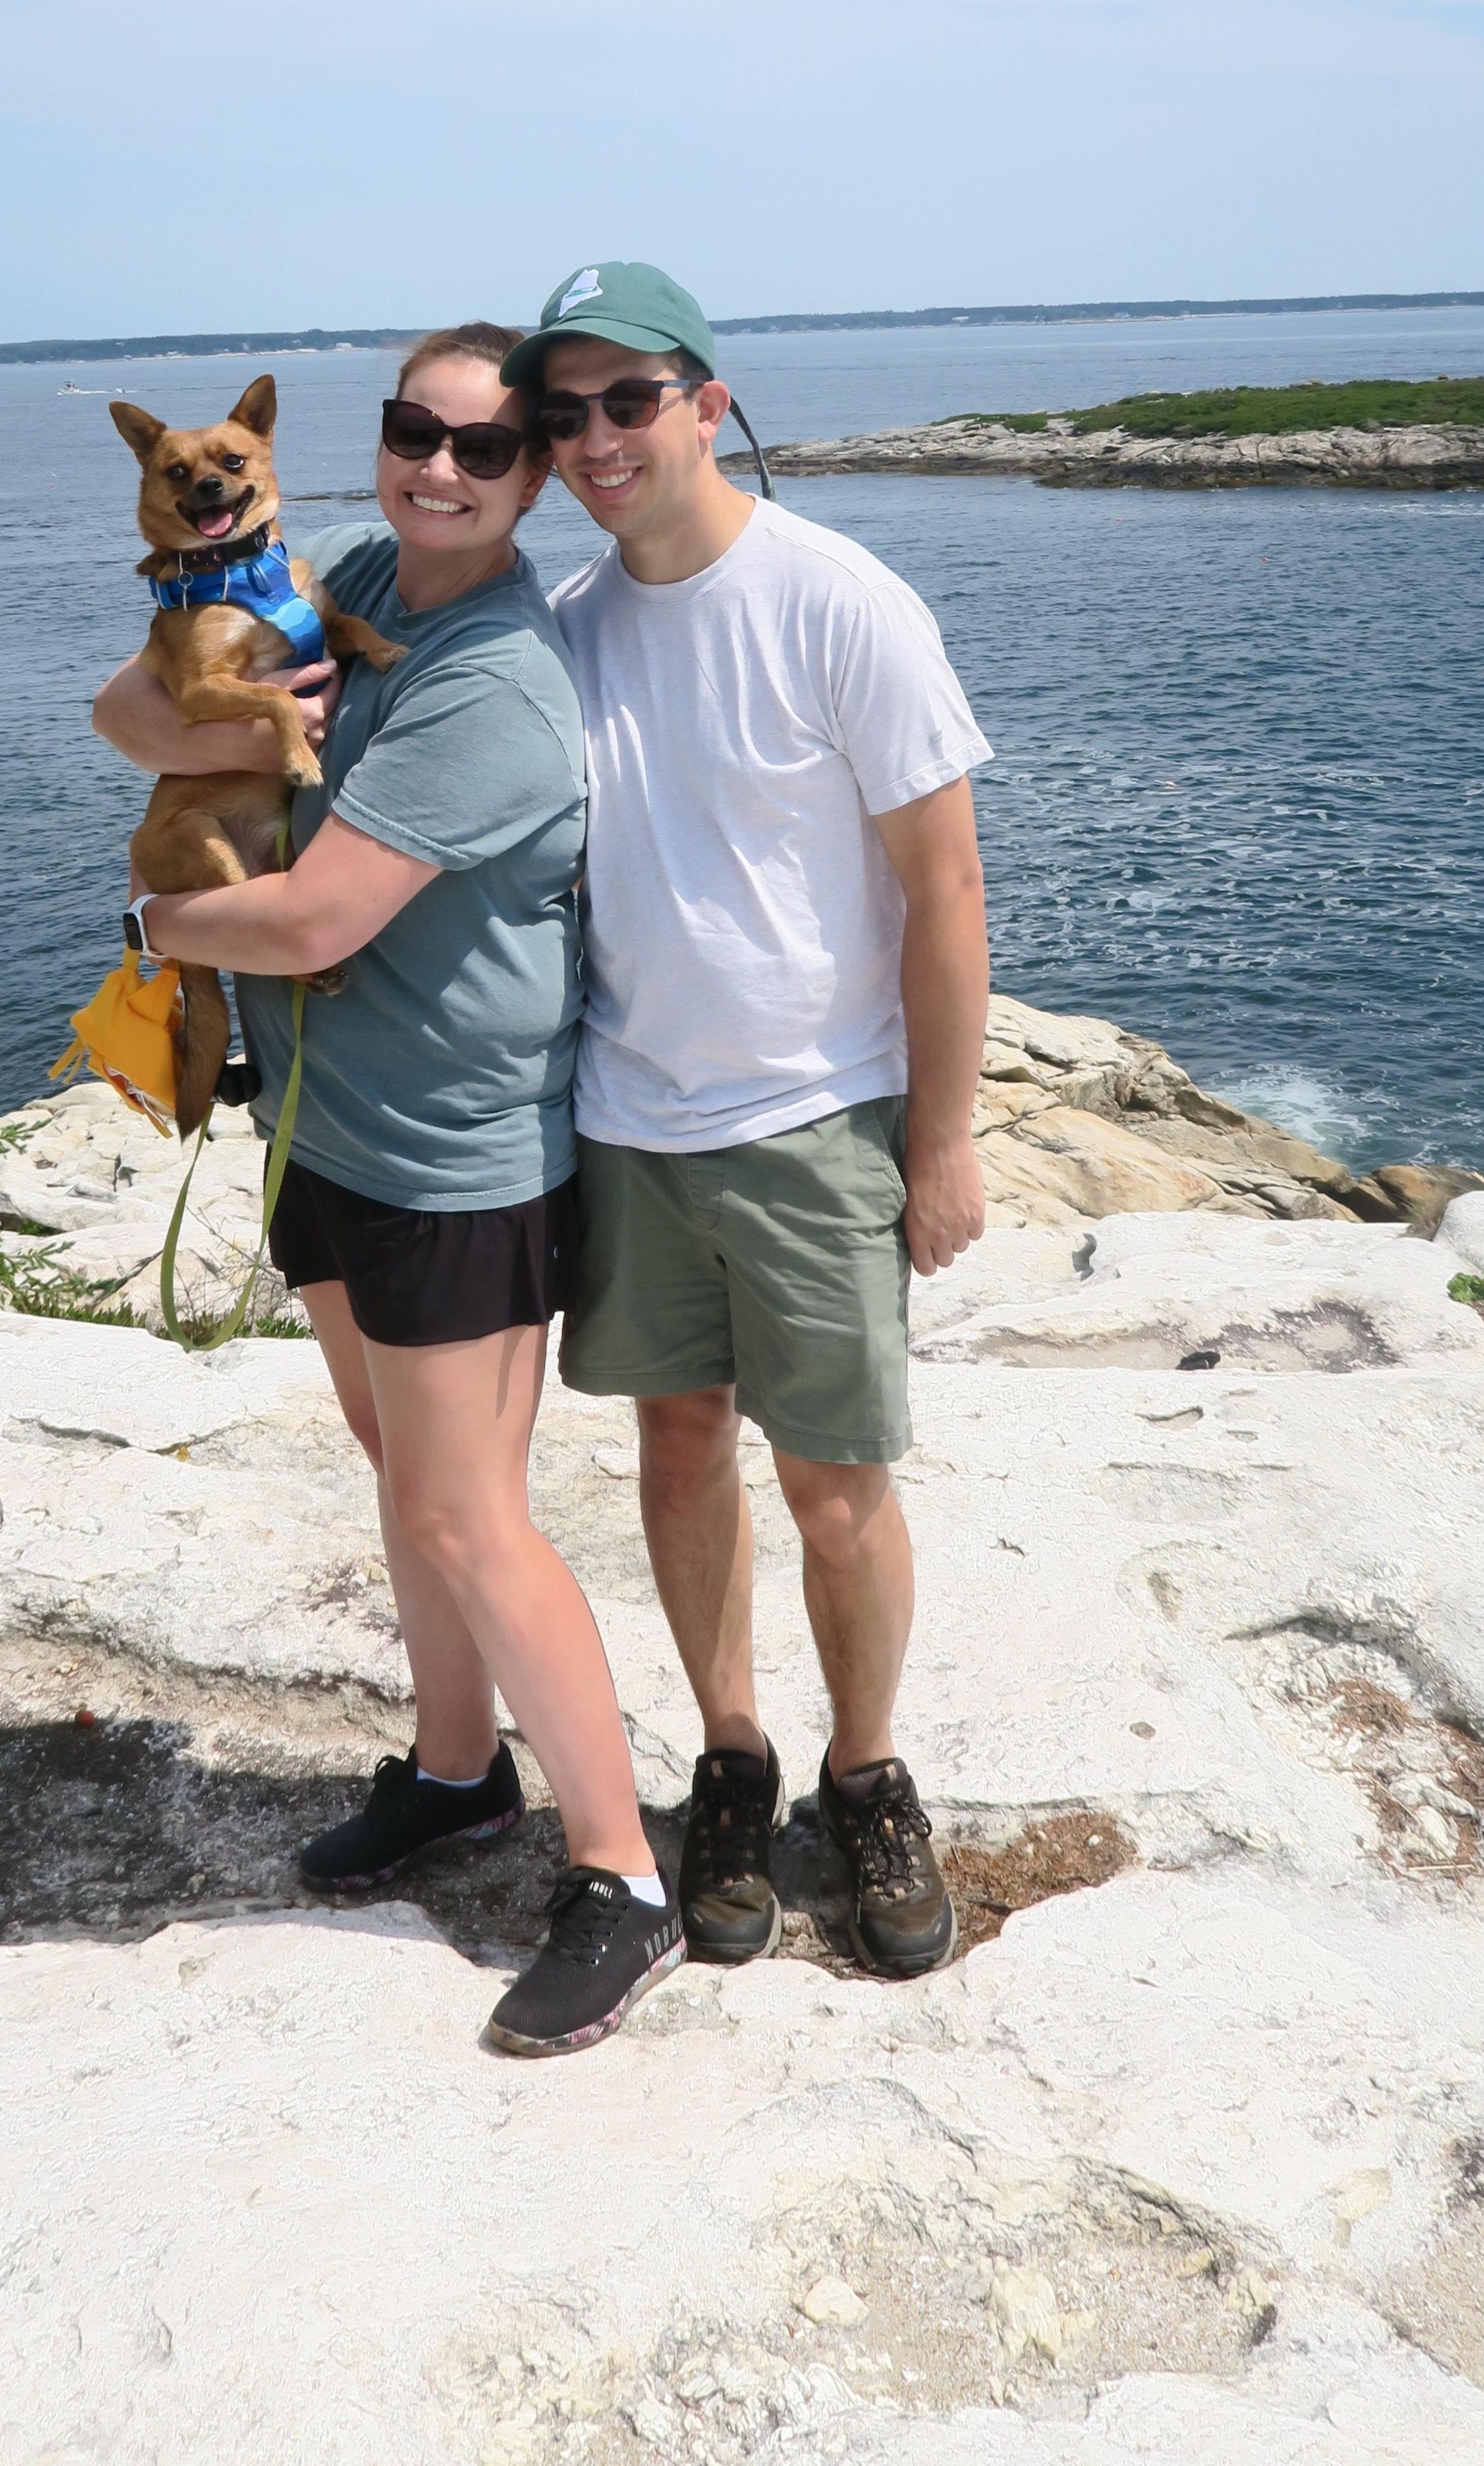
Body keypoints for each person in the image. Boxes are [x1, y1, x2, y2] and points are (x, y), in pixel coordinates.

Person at [90, 323, 683, 2058]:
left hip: (452, 1154)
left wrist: (152, 928)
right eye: (411, 428)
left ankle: (622, 1876)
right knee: (402, 1480)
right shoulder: (349, 577)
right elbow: (124, 709)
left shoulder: (493, 673)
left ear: (536, 477)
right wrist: (229, 714)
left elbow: (321, 915)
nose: (438, 466)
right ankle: (455, 1771)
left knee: (466, 1516)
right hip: (328, 1122)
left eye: (484, 450)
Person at [501, 263, 994, 1979]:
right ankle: (732, 1757)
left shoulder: (839, 600)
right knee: (680, 1447)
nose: (593, 439)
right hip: (631, 1121)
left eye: (627, 399)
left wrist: (943, 1138)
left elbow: (944, 888)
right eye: (561, 414)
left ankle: (866, 1776)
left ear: (708, 403)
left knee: (838, 1486)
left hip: (813, 1120)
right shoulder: (564, 631)